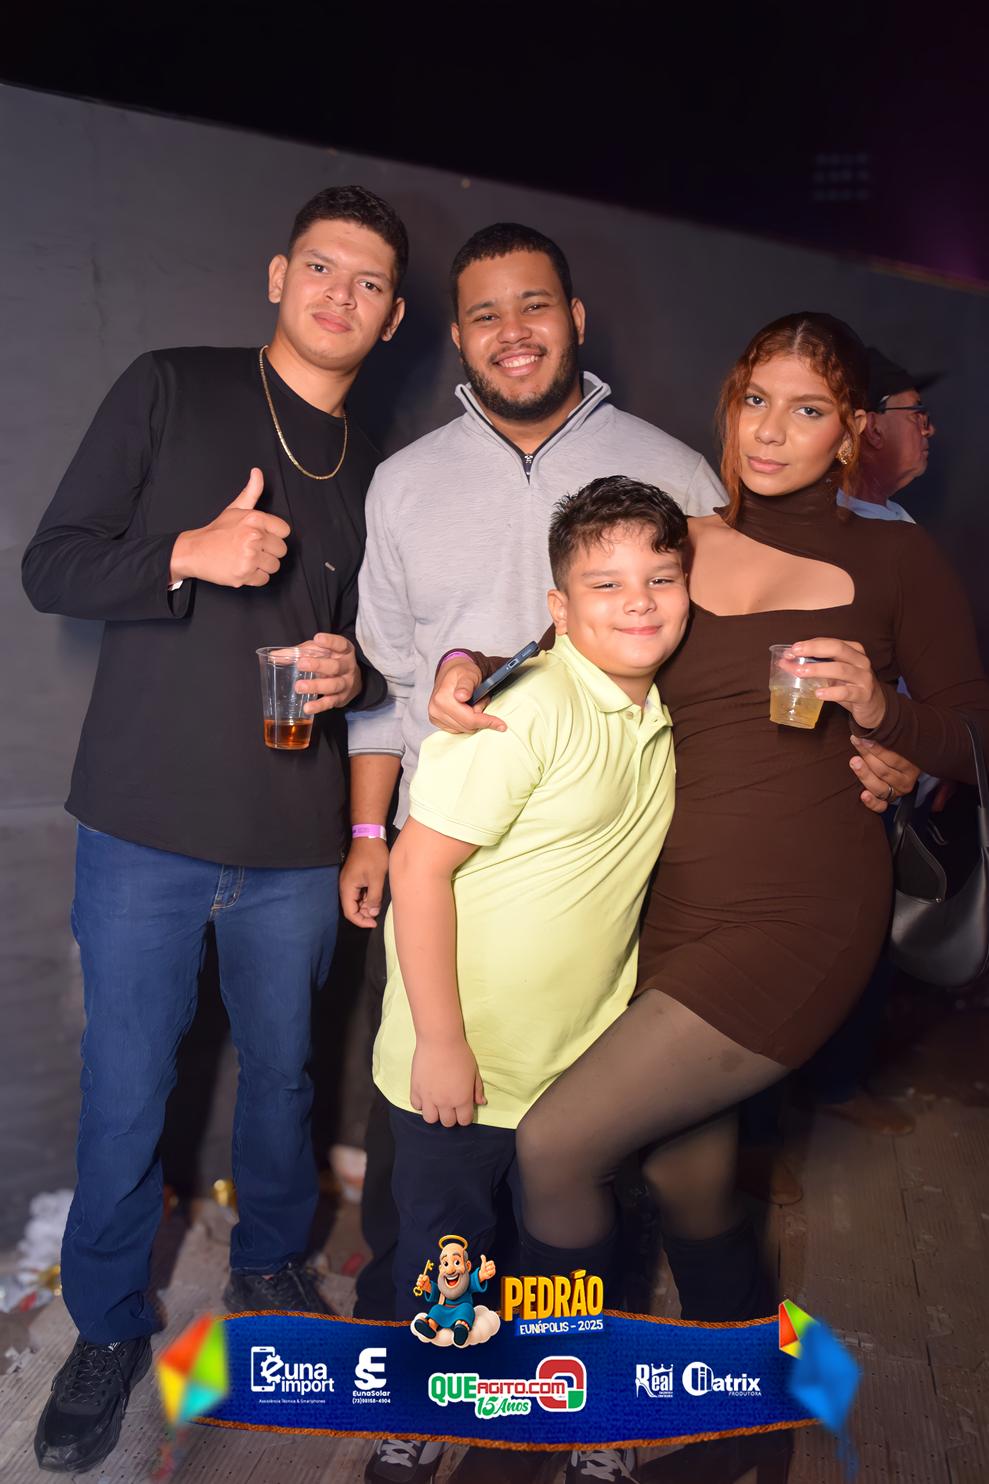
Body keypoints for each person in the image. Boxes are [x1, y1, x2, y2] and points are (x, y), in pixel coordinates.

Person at [431, 313, 988, 1481]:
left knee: (556, 1144)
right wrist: (463, 665)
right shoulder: (677, 540)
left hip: (799, 915)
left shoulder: (893, 561)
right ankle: (754, 1425)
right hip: (668, 907)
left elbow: (967, 736)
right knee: (685, 1174)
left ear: (849, 430)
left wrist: (883, 713)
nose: (771, 431)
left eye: (807, 408)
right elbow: (564, 637)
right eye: (755, 400)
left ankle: (548, 1416)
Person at [21, 184, 407, 1475]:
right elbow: (51, 565)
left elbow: (382, 657)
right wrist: (184, 550)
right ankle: (107, 1326)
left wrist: (358, 673)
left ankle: (269, 1264)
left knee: (286, 1075)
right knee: (129, 1089)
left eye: (368, 282)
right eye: (321, 267)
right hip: (144, 827)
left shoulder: (382, 470)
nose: (340, 294)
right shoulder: (172, 386)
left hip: (295, 838)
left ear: (393, 316)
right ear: (277, 275)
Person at [738, 344, 940, 1196]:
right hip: (785, 790)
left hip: (875, 783)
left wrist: (907, 747)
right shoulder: (771, 523)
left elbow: (929, 687)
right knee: (767, 963)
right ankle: (755, 1140)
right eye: (912, 413)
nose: (926, 430)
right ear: (866, 426)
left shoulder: (900, 533)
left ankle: (836, 1087)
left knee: (861, 946)